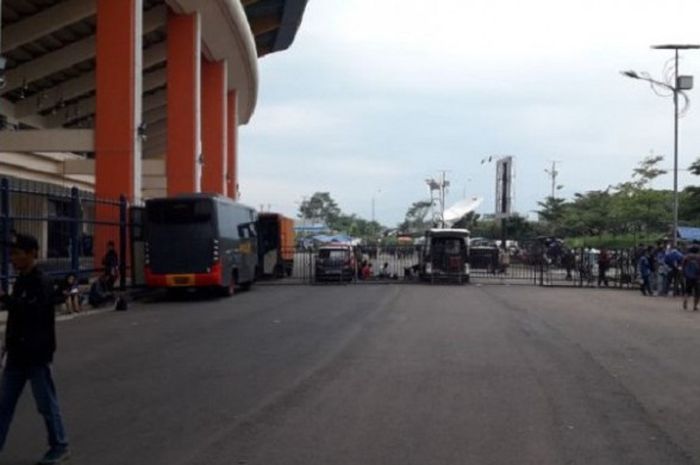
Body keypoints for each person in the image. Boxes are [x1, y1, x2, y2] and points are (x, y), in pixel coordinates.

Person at [0, 233, 70, 464]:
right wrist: (7, 343)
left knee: (46, 404)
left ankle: (59, 446)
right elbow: (16, 319)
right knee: (3, 405)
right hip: (17, 355)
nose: (13, 258)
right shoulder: (21, 280)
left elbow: (33, 314)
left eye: (17, 253)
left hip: (36, 356)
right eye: (11, 254)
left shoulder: (42, 282)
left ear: (32, 254)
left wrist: (9, 301)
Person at [681, 244, 700, 311]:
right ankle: (695, 306)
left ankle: (685, 300)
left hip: (688, 276)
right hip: (697, 277)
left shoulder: (686, 257)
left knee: (687, 290)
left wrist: (684, 274)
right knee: (697, 293)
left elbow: (683, 266)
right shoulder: (699, 257)